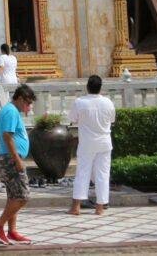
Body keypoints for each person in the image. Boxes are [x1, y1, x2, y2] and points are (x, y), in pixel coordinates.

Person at [0, 83, 36, 246]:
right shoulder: (10, 111)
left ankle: (12, 231)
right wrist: (17, 160)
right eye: (28, 103)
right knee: (23, 196)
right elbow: (7, 136)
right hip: (11, 158)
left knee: (14, 196)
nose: (28, 107)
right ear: (20, 98)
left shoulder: (12, 111)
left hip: (10, 157)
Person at [68, 74, 116, 216]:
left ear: (87, 87)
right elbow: (112, 119)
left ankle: (76, 207)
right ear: (100, 88)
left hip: (87, 142)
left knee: (82, 172)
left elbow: (72, 119)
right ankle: (99, 207)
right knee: (103, 174)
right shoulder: (108, 102)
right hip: (104, 142)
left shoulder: (80, 102)